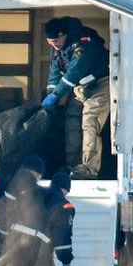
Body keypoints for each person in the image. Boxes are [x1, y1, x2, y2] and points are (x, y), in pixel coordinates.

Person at [40, 17, 110, 180]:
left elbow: (74, 73)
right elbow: (55, 72)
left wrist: (55, 96)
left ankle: (89, 168)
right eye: (50, 42)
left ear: (64, 34)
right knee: (72, 121)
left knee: (90, 122)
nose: (54, 44)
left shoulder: (82, 44)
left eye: (56, 40)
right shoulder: (57, 48)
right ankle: (72, 166)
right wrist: (51, 92)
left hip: (100, 83)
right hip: (81, 87)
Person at [47, 172, 75, 266]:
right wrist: (66, 262)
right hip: (44, 253)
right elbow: (63, 237)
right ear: (65, 188)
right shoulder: (66, 206)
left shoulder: (38, 196)